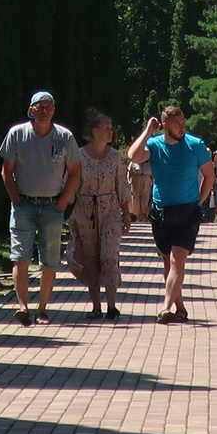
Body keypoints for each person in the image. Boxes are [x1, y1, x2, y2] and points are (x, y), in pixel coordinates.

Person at [0, 90, 80, 325]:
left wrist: (63, 202)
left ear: (54, 111)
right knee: (20, 257)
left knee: (49, 260)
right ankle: (22, 306)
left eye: (49, 106)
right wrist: (16, 199)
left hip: (52, 206)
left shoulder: (64, 137)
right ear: (31, 109)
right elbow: (7, 170)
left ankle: (42, 309)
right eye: (40, 106)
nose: (44, 110)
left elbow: (75, 172)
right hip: (24, 204)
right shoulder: (17, 133)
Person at [126, 103, 213, 322]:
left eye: (183, 123)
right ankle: (180, 307)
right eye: (176, 124)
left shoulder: (196, 145)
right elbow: (133, 156)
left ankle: (165, 308)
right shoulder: (154, 145)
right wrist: (147, 132)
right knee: (168, 263)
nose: (182, 127)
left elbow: (209, 176)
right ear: (165, 125)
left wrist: (198, 203)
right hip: (161, 212)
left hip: (187, 212)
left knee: (177, 261)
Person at [68, 110, 128, 318]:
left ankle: (112, 305)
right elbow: (72, 185)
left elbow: (122, 185)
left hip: (110, 209)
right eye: (106, 128)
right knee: (90, 258)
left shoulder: (116, 157)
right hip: (85, 211)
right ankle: (96, 306)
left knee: (110, 255)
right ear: (95, 131)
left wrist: (126, 214)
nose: (111, 132)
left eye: (112, 128)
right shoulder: (80, 155)